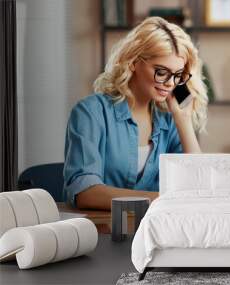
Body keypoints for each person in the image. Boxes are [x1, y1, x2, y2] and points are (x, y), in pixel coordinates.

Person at [63, 17, 208, 210]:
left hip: (155, 233)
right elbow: (85, 193)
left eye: (177, 75)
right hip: (102, 232)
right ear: (133, 62)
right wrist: (160, 200)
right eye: (161, 71)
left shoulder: (169, 120)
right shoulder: (91, 113)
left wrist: (184, 120)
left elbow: (198, 185)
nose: (170, 83)